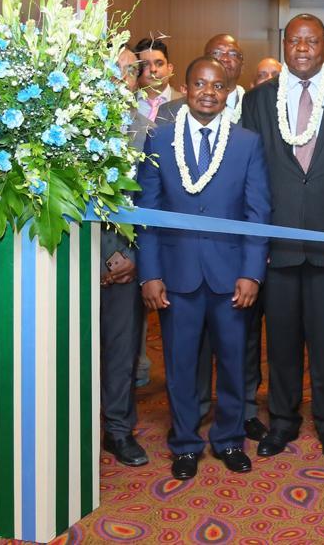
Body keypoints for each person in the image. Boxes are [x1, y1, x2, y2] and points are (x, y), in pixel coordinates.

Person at [136, 57, 271, 480]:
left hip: (232, 277)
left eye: (217, 86)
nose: (208, 92)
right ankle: (185, 443)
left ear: (228, 92)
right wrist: (149, 273)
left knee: (233, 362)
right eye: (199, 84)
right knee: (179, 365)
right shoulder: (159, 139)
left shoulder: (247, 143)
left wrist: (252, 273)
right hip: (176, 276)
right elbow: (147, 211)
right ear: (186, 89)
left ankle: (229, 439)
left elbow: (258, 212)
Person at [241, 13, 324, 460]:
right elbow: (250, 174)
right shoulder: (258, 100)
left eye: (311, 41)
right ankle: (282, 421)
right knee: (281, 342)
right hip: (277, 244)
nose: (302, 48)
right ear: (284, 45)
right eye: (294, 40)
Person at [100, 48, 154, 468]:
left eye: (131, 70)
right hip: (70, 261)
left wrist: (133, 255)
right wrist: (100, 256)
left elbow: (155, 202)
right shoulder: (63, 128)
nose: (123, 77)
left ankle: (118, 430)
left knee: (122, 352)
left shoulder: (149, 131)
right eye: (114, 69)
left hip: (127, 263)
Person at [134, 37, 177, 121]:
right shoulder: (123, 103)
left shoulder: (186, 103)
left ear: (169, 69)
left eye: (159, 64)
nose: (153, 69)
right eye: (145, 64)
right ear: (136, 70)